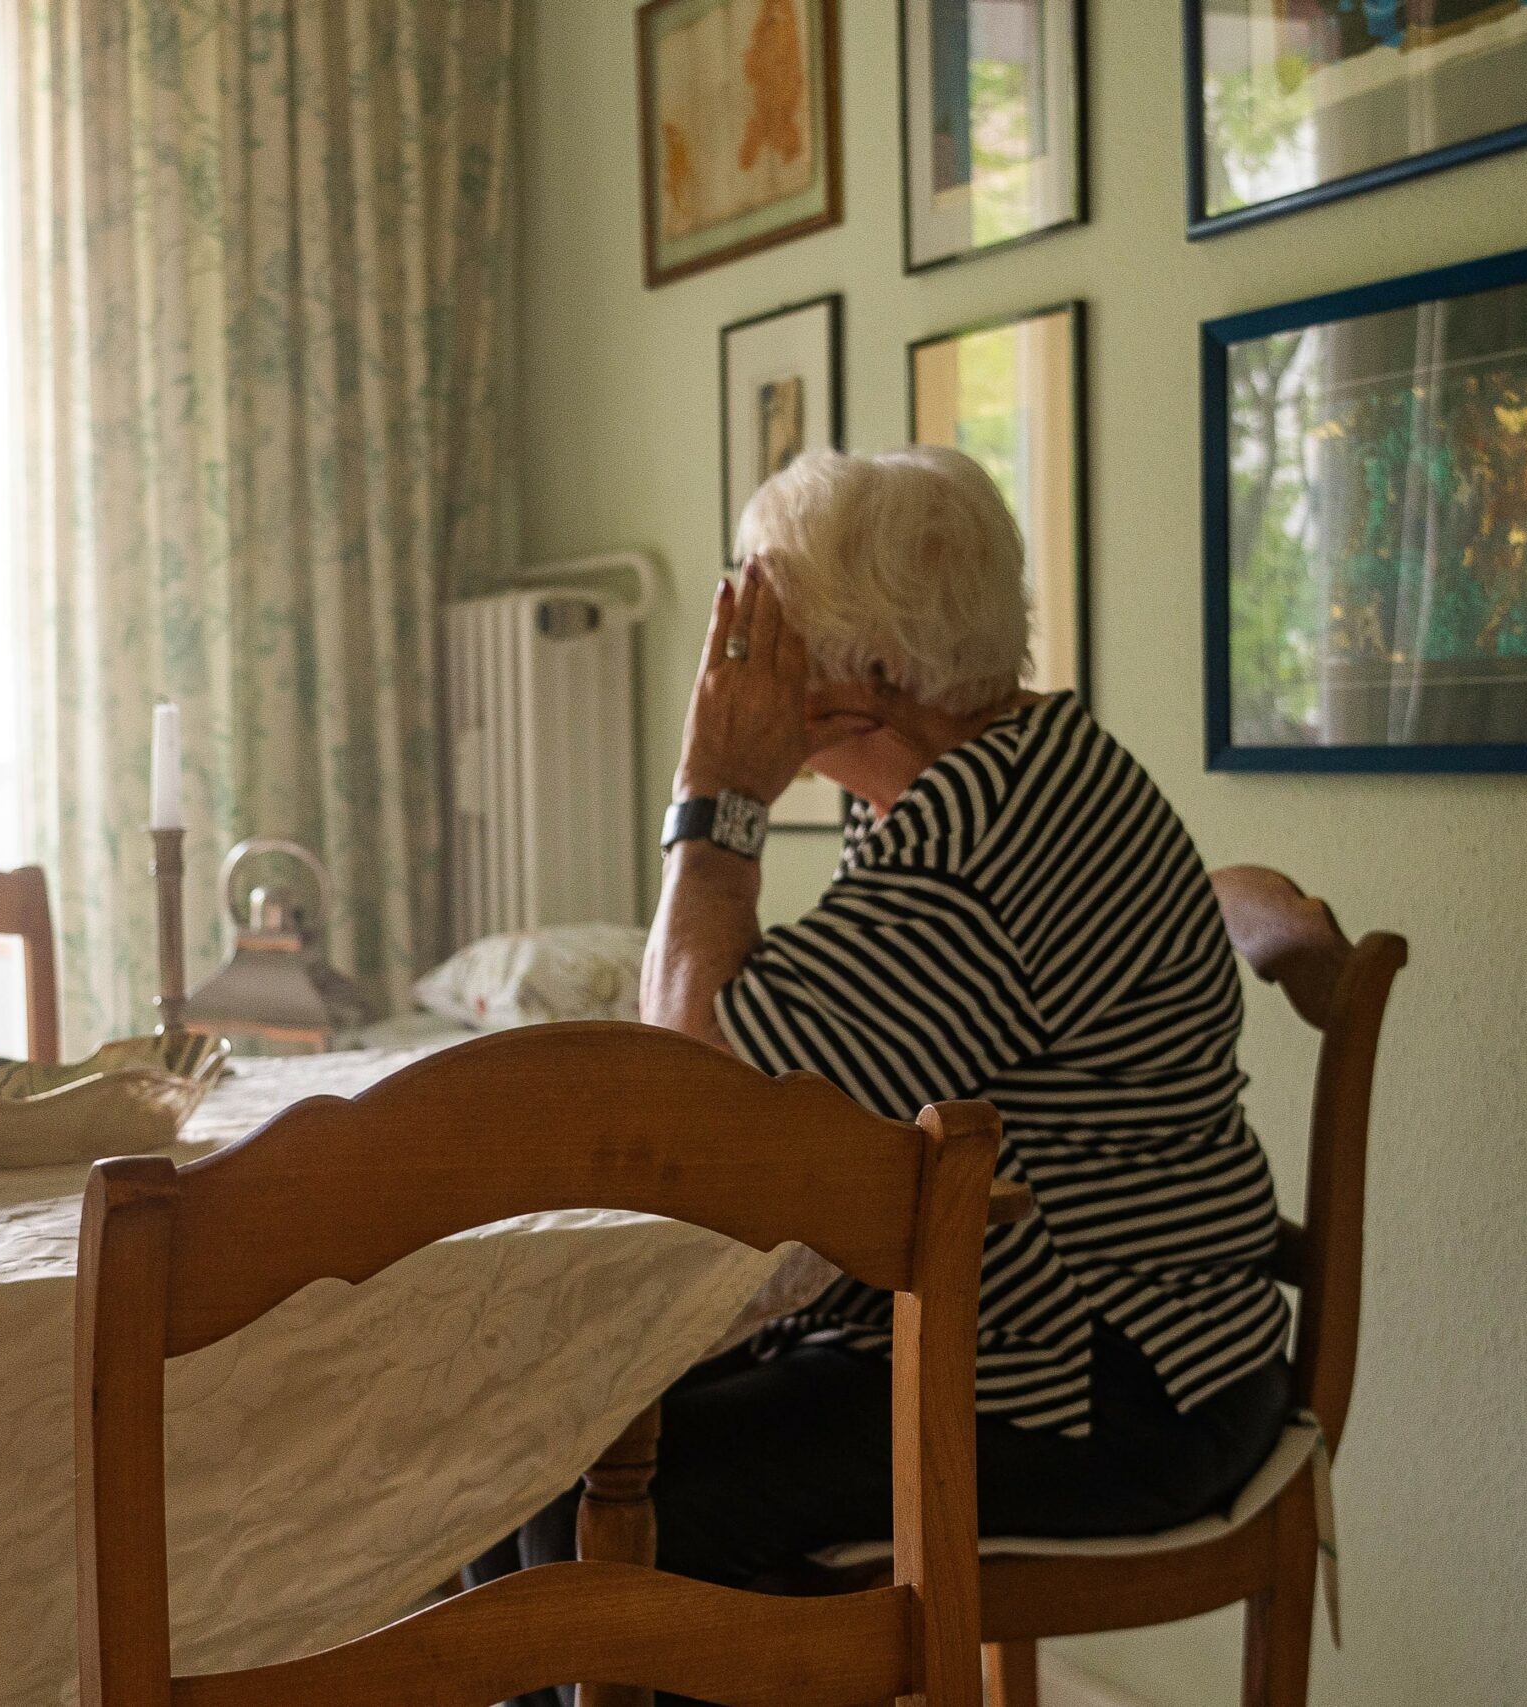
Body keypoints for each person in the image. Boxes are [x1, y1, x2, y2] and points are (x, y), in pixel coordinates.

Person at [468, 447, 1292, 1702]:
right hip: (1042, 1339)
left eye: (765, 626)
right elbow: (801, 1060)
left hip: (1111, 1385)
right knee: (545, 1456)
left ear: (869, 673)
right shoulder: (989, 780)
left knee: (616, 1509)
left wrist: (714, 799)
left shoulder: (988, 841)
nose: (731, 664)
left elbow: (705, 1102)